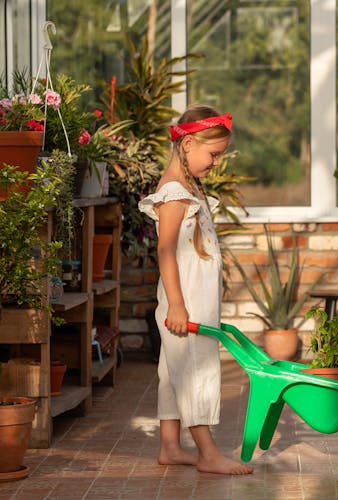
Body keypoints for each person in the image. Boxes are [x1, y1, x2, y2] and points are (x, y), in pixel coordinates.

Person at [139, 104, 253, 475]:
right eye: (213, 154)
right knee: (193, 371)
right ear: (188, 144)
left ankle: (170, 447)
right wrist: (176, 304)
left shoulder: (189, 186)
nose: (216, 162)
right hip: (183, 301)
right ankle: (207, 453)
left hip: (192, 299)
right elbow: (165, 249)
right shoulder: (174, 192)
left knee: (173, 371)